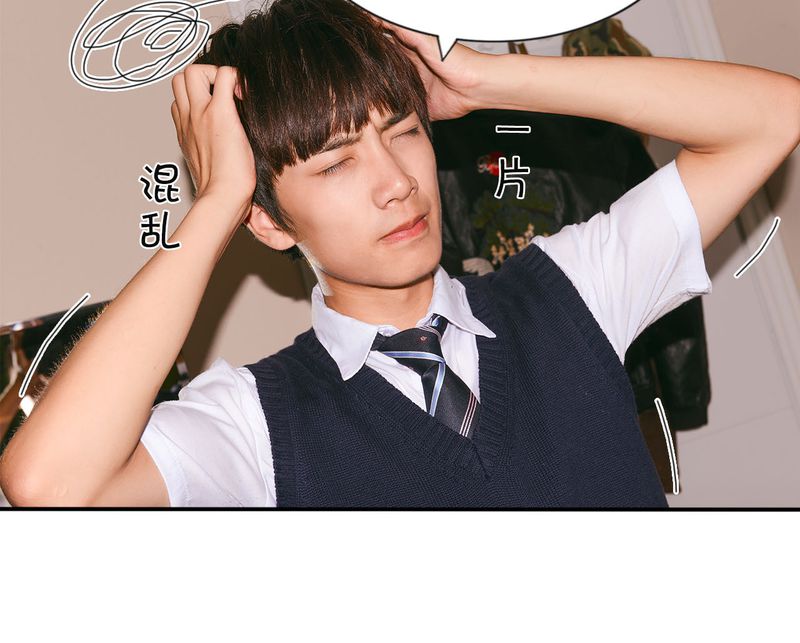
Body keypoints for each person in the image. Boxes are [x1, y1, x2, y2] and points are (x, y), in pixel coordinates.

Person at [1, 0, 798, 508]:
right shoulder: (255, 426)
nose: (396, 183)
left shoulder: (573, 290)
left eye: (404, 131)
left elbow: (773, 116)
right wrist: (213, 207)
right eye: (337, 164)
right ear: (268, 223)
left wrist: (487, 81)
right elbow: (47, 484)